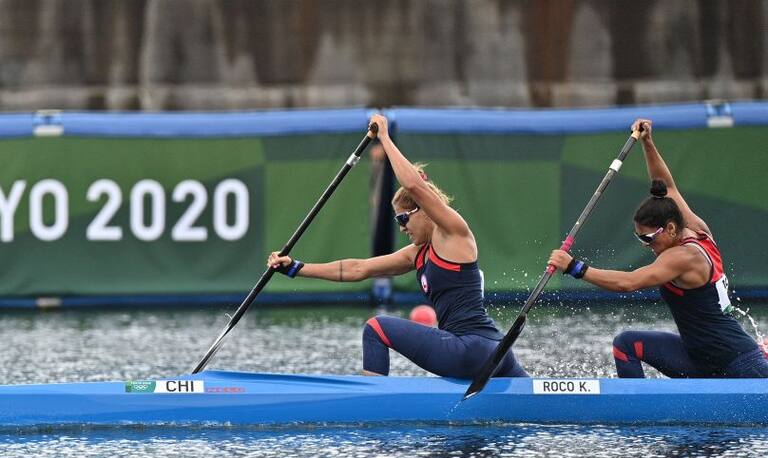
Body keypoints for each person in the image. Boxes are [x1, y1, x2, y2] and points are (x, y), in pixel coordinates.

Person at [267, 113, 527, 379]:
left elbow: (413, 184)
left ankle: (371, 405)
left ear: (422, 210)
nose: (401, 227)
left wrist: (384, 137)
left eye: (403, 218)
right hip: (498, 352)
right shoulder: (418, 253)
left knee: (375, 327)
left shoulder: (452, 232)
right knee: (538, 397)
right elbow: (357, 269)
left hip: (469, 349)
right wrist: (296, 268)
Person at [548, 118, 768, 379]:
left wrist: (574, 267)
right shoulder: (696, 229)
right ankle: (633, 413)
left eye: (649, 238)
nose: (646, 245)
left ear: (671, 229)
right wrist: (648, 143)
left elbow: (628, 283)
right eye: (640, 238)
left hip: (738, 363)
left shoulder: (684, 256)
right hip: (699, 357)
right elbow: (667, 186)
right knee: (626, 344)